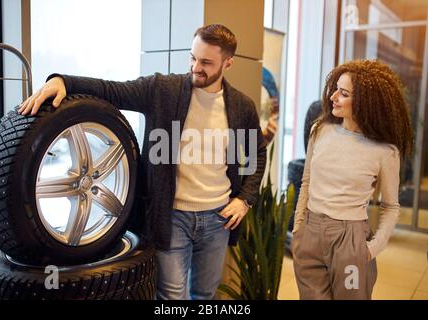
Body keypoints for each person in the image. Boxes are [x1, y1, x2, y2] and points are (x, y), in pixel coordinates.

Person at [18, 24, 267, 300]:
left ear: (228, 63)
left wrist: (244, 200)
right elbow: (112, 90)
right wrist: (64, 81)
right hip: (171, 218)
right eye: (193, 58)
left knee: (205, 295)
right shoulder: (164, 90)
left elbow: (256, 153)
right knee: (171, 297)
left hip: (219, 219)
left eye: (206, 62)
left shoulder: (242, 106)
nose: (196, 67)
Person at [291, 60, 413, 300]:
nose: (333, 96)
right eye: (335, 89)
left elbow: (391, 207)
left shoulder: (385, 151)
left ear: (366, 102)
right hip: (310, 234)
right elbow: (307, 182)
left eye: (343, 93)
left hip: (350, 240)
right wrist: (298, 229)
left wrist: (369, 251)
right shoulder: (320, 130)